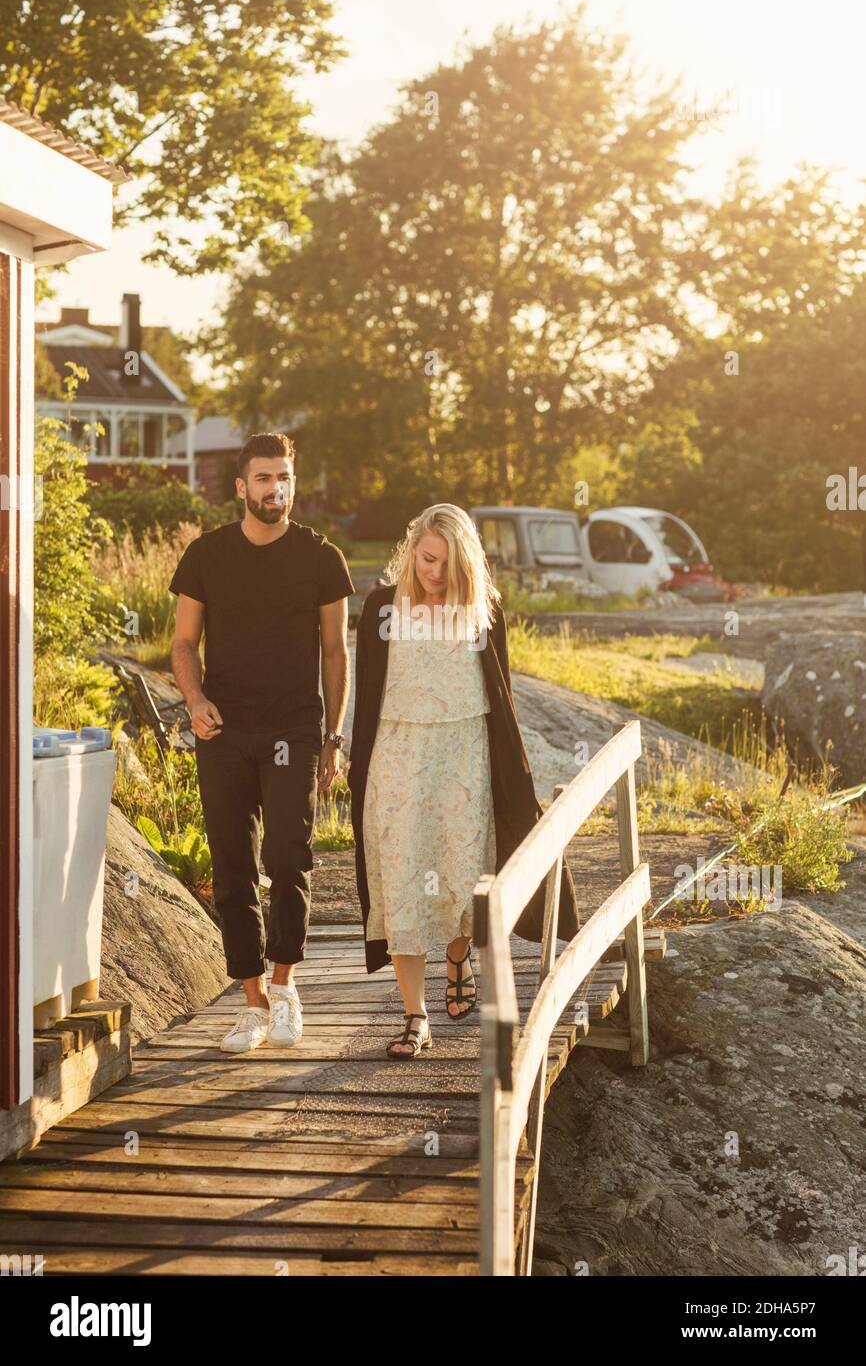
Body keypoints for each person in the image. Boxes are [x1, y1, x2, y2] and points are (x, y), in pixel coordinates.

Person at [348, 503, 579, 1059]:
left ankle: (457, 954)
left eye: (447, 565)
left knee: (460, 873)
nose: (433, 572)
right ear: (411, 549)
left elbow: (502, 699)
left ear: (466, 566)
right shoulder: (381, 608)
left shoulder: (482, 612)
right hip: (397, 759)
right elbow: (367, 696)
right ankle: (413, 1016)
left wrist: (512, 777)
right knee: (401, 882)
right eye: (427, 558)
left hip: (463, 758)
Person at [168, 432, 355, 1053]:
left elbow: (335, 651)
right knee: (231, 865)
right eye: (265, 479)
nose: (278, 490)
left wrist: (333, 735)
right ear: (242, 487)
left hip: (294, 729)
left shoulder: (321, 559)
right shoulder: (206, 555)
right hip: (222, 729)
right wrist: (195, 702)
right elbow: (183, 645)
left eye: (286, 478)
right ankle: (250, 1001)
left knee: (287, 854)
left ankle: (286, 986)